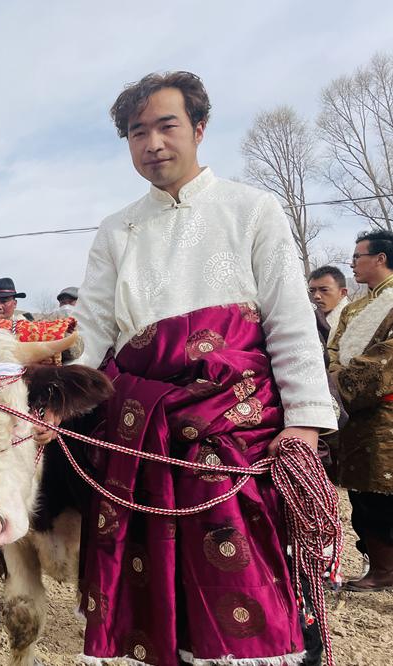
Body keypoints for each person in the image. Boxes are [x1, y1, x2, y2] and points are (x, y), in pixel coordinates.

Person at [70, 71, 336, 665]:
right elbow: (92, 331)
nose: (153, 143)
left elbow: (288, 321)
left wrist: (307, 422)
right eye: (137, 133)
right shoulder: (116, 230)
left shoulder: (252, 209)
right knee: (149, 586)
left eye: (167, 126)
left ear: (199, 128)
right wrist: (51, 404)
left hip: (236, 428)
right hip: (140, 434)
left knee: (248, 581)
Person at [326, 230, 393, 592]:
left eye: (357, 256)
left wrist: (342, 380)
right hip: (355, 419)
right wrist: (335, 374)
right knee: (362, 494)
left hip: (386, 415)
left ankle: (386, 569)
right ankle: (380, 565)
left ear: (380, 258)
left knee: (385, 491)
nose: (352, 263)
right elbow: (333, 348)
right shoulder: (354, 308)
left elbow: (387, 356)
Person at [308, 266, 350, 343]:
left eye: (324, 290)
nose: (316, 296)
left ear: (343, 293)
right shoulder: (305, 322)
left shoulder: (352, 322)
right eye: (312, 291)